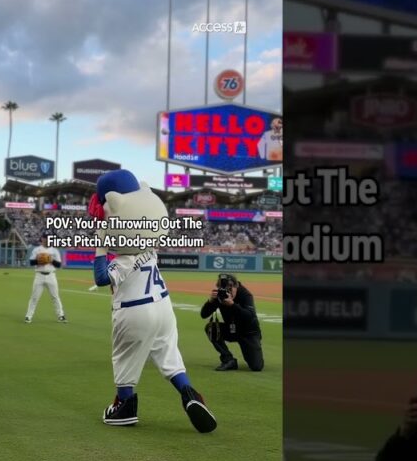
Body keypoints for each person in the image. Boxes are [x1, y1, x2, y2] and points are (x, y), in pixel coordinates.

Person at [90, 169, 216, 433]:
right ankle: (191, 395)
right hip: (164, 308)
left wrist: (100, 244)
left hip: (135, 311)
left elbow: (102, 278)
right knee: (169, 357)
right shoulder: (149, 247)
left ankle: (124, 406)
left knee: (124, 359)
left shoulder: (124, 258)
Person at [200, 273, 264, 371]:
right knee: (211, 328)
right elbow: (204, 315)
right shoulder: (220, 295)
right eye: (225, 288)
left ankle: (253, 347)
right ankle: (228, 360)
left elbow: (250, 316)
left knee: (256, 367)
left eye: (231, 288)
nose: (228, 292)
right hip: (231, 329)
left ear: (236, 286)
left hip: (248, 333)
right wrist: (211, 301)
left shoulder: (245, 294)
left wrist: (233, 305)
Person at [24, 233, 66, 324]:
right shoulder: (37, 250)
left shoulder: (54, 250)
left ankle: (61, 315)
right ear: (42, 239)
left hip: (51, 275)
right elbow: (31, 262)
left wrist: (51, 260)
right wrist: (40, 260)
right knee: (34, 297)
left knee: (55, 297)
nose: (47, 240)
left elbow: (58, 264)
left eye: (49, 238)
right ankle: (28, 316)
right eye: (45, 238)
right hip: (39, 275)